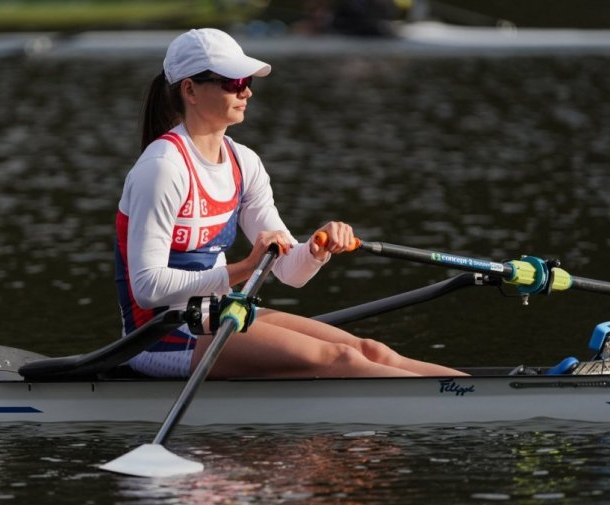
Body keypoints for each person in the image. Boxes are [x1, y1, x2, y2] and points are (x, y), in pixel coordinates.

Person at [115, 28, 466, 379]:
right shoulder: (162, 168)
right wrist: (246, 267)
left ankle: (469, 392)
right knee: (341, 359)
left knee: (369, 350)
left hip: (214, 315)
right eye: (233, 82)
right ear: (190, 90)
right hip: (162, 337)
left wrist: (316, 248)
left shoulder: (244, 162)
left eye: (247, 80)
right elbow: (148, 289)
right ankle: (461, 409)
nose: (247, 91)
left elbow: (289, 272)